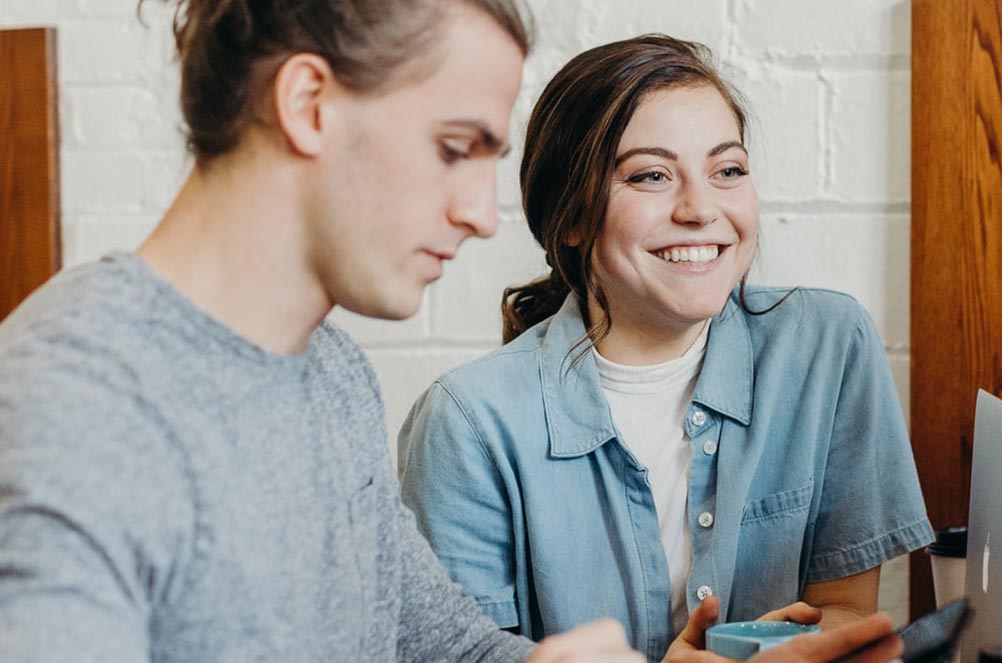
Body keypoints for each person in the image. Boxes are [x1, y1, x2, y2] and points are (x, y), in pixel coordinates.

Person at [0, 3, 906, 663]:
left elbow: (437, 643)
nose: (482, 215)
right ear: (309, 102)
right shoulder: (71, 406)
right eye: (452, 148)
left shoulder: (328, 373)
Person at [395, 34, 934, 663]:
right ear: (569, 218)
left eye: (727, 170)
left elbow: (843, 607)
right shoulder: (466, 424)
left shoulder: (828, 346)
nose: (701, 209)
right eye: (651, 175)